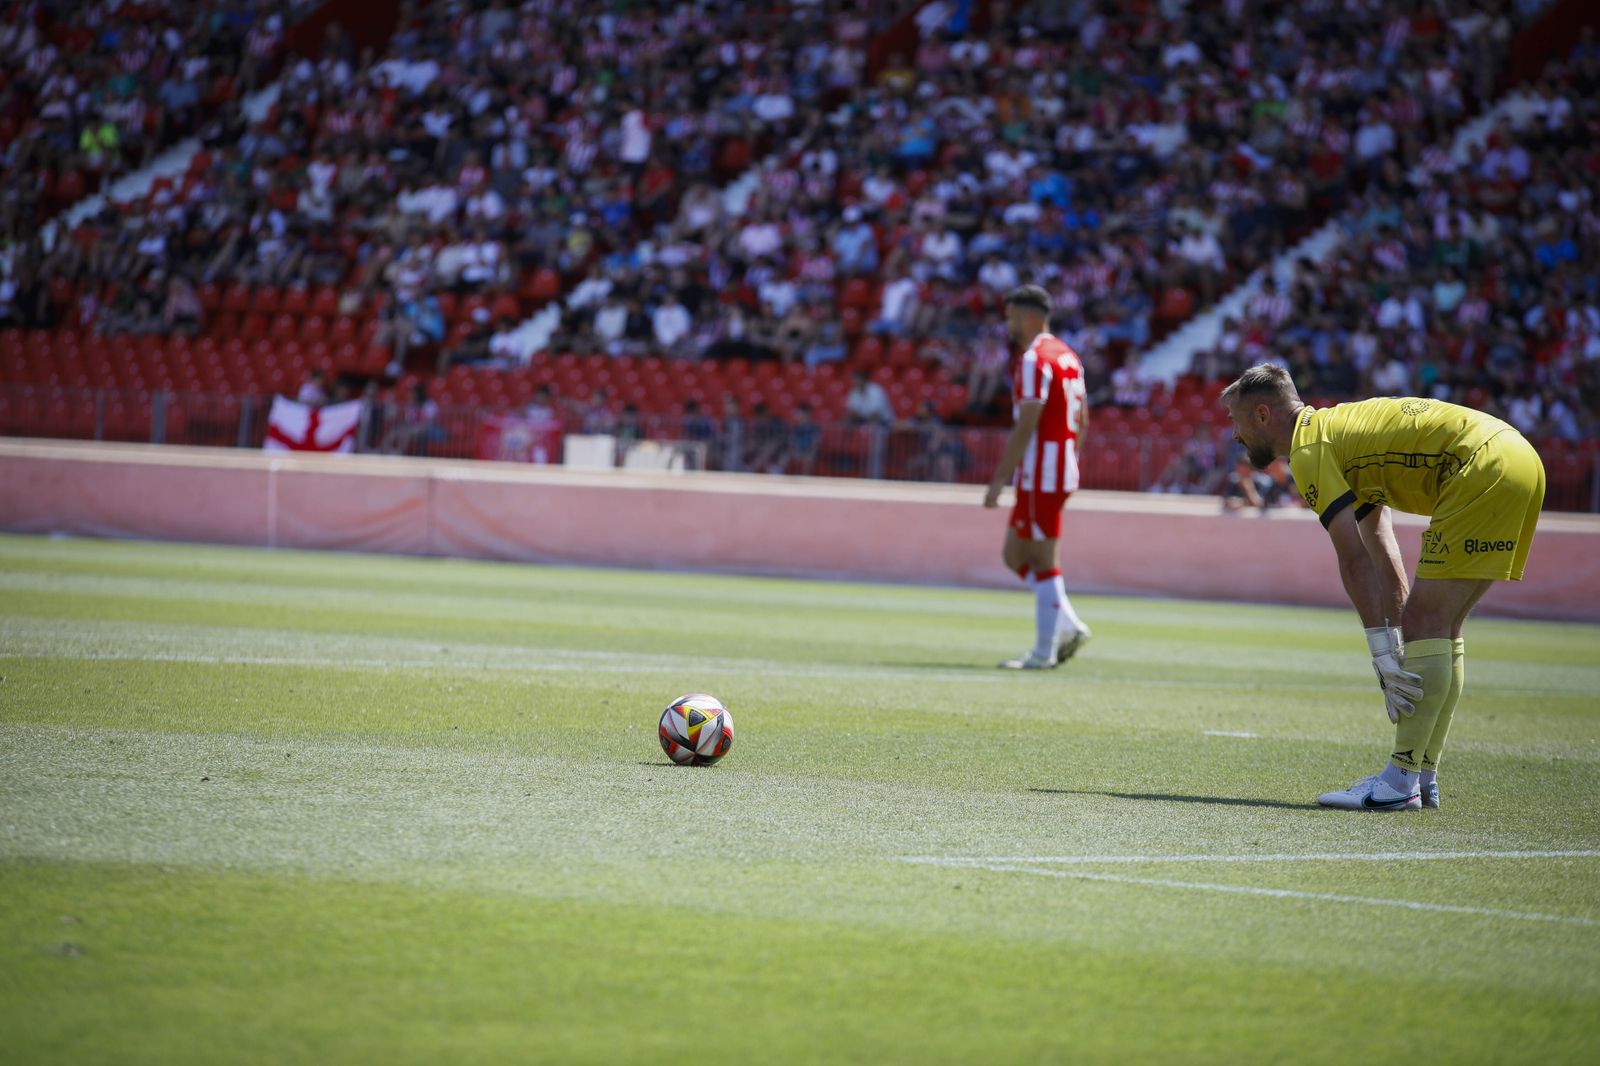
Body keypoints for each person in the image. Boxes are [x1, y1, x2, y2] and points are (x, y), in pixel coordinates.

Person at [1220, 364, 1546, 811]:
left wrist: (1379, 651)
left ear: (1261, 415)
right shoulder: (1338, 436)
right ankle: (1421, 776)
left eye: (1236, 421)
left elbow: (1354, 559)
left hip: (1480, 465)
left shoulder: (1308, 449)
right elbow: (1381, 546)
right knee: (1442, 629)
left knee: (1426, 623)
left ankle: (1398, 781)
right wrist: (1393, 641)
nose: (1234, 434)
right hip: (1519, 457)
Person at [982, 285, 1093, 671]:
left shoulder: (1033, 359)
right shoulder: (1068, 355)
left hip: (1043, 472)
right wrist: (1070, 460)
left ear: (1029, 317)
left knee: (1044, 561)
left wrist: (999, 479)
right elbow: (1083, 420)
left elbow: (1027, 423)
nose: (1008, 324)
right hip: (1056, 468)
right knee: (1014, 555)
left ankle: (1044, 652)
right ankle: (1070, 624)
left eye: (1012, 317)